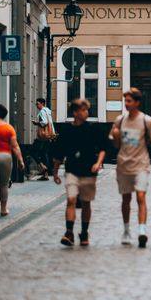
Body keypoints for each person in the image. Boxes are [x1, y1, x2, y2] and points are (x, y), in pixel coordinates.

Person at [110, 87, 151, 248]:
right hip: (123, 164)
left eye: (129, 101)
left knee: (141, 197)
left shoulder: (146, 121)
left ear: (137, 102)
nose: (126, 104)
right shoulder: (119, 120)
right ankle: (127, 231)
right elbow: (116, 145)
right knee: (126, 199)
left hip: (141, 164)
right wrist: (116, 136)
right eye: (125, 101)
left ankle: (142, 231)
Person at [52, 98, 107, 247]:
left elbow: (103, 148)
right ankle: (69, 232)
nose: (86, 113)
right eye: (83, 110)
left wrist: (98, 163)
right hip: (72, 171)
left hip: (89, 172)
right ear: (75, 113)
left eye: (87, 110)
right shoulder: (67, 131)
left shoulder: (93, 129)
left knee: (86, 203)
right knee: (71, 200)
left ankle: (84, 233)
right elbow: (59, 154)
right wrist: (55, 173)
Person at [30, 97, 55, 180]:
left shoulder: (42, 112)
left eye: (38, 104)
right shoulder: (47, 111)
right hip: (48, 136)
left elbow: (44, 122)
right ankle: (46, 174)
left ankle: (43, 167)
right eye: (36, 104)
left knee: (33, 151)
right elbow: (50, 123)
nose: (36, 105)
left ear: (42, 104)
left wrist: (36, 123)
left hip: (43, 137)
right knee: (44, 153)